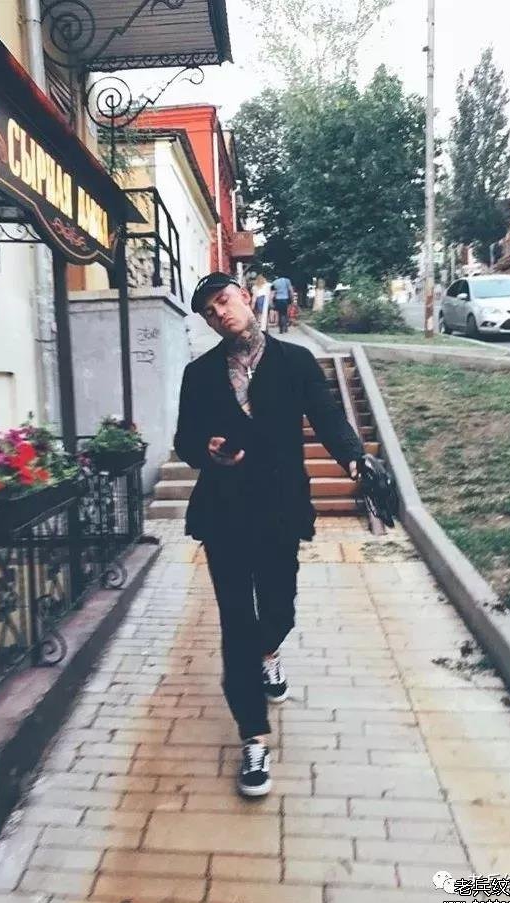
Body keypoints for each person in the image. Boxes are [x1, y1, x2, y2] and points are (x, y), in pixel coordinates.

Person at [174, 272, 364, 798]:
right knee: (237, 622)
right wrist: (206, 450)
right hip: (224, 514)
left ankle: (269, 652)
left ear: (245, 297)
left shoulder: (295, 362)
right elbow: (185, 439)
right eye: (209, 312)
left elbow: (328, 418)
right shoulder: (199, 374)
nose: (220, 314)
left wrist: (354, 458)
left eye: (224, 301)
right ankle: (253, 737)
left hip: (280, 510)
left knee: (279, 609)